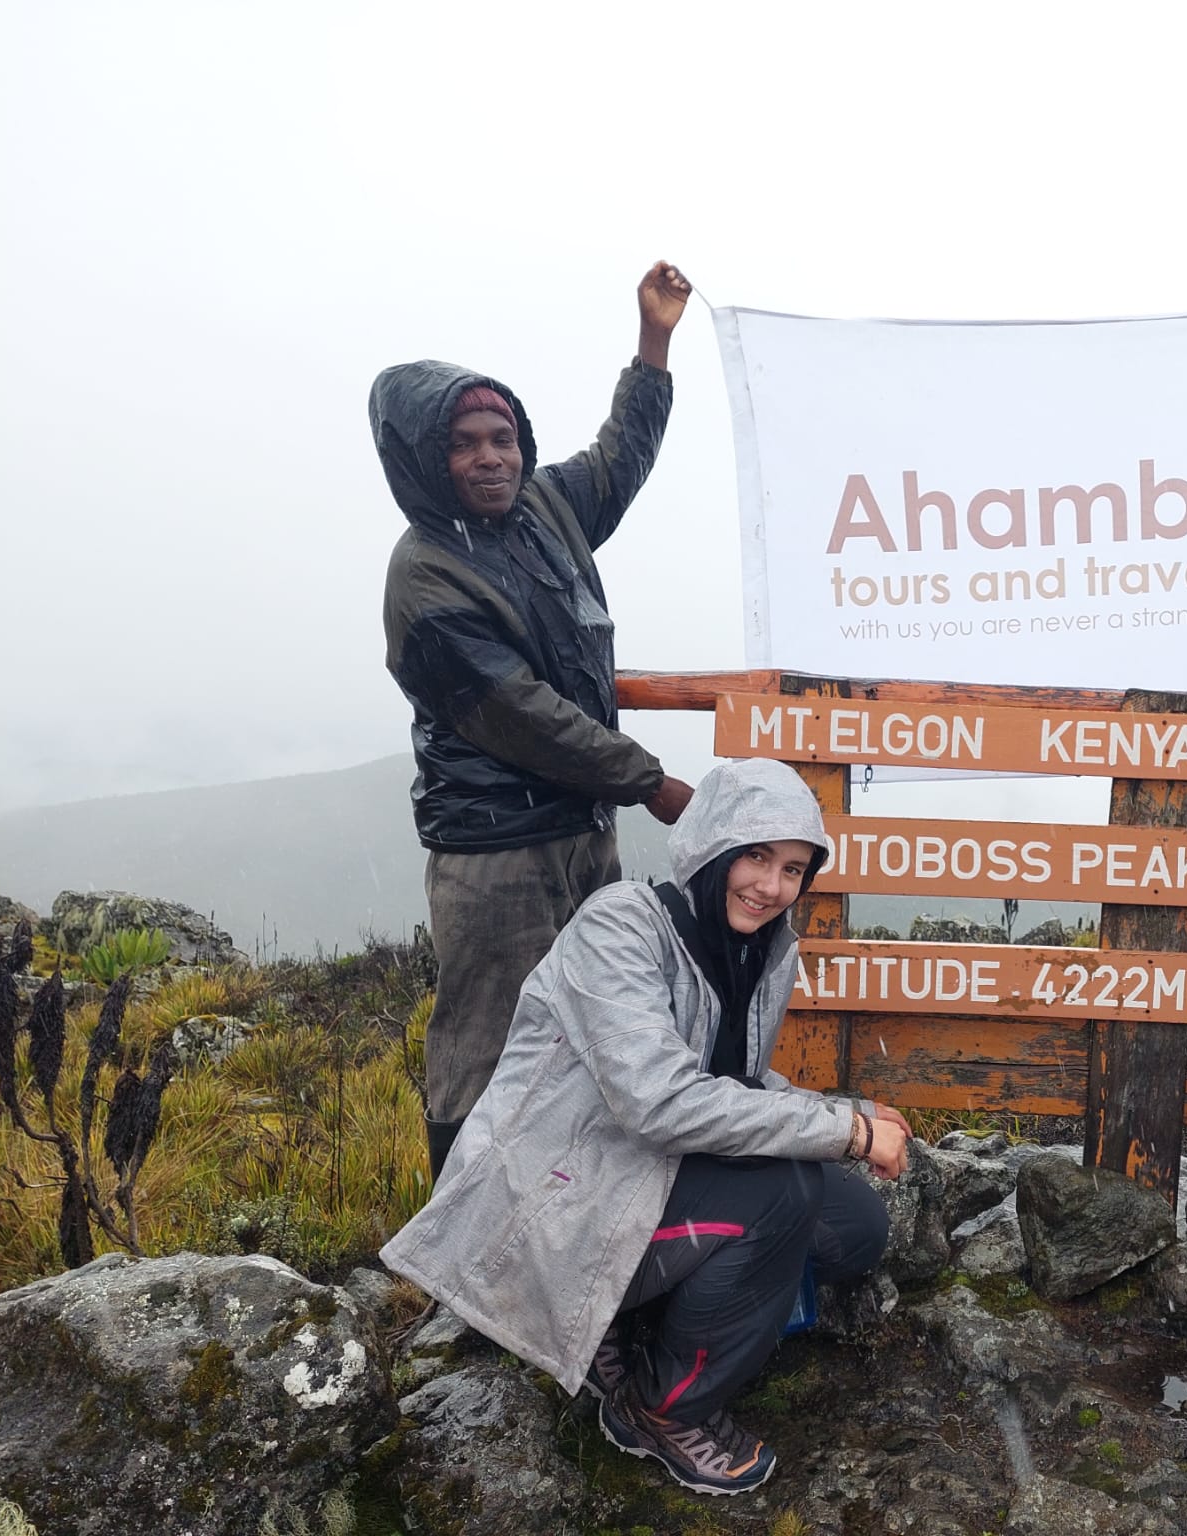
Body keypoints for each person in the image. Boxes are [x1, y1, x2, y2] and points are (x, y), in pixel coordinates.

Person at [382, 758, 909, 1496]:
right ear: (712, 846)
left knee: (852, 1227)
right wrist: (845, 1134)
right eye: (754, 855)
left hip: (652, 1172)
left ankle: (626, 1326)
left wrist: (842, 1111)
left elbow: (735, 1079)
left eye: (793, 868)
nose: (770, 885)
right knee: (784, 1196)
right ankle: (662, 1408)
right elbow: (657, 1100)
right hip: (565, 1193)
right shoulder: (622, 925)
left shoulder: (761, 950)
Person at [370, 262, 699, 1178]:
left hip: (581, 831)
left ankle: (572, 1212)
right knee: (488, 1045)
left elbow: (618, 459)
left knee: (599, 1023)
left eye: (503, 436)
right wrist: (652, 782)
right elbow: (522, 716)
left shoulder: (544, 509)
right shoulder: (425, 575)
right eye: (466, 444)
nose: (492, 457)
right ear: (427, 461)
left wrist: (655, 343)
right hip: (495, 856)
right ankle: (462, 1250)